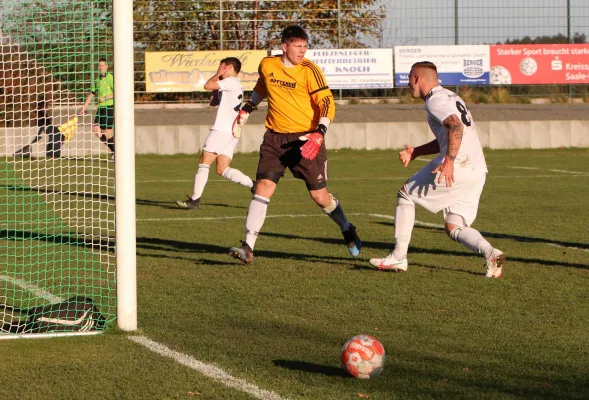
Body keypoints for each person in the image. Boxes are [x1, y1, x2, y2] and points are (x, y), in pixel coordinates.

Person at [228, 25, 361, 264]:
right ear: (284, 46)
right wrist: (248, 108)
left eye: (305, 46)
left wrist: (319, 132)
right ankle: (248, 246)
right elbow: (261, 87)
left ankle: (346, 227)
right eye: (298, 46)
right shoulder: (268, 64)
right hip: (275, 139)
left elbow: (328, 104)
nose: (302, 51)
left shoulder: (310, 70)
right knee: (263, 186)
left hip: (306, 139)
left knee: (320, 196)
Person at [369, 61, 505, 278]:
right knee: (454, 226)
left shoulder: (435, 100)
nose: (408, 84)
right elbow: (447, 134)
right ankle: (491, 253)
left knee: (406, 194)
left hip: (457, 166)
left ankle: (399, 256)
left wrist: (449, 162)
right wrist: (417, 152)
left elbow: (455, 127)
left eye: (409, 79)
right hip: (477, 169)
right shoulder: (450, 96)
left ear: (417, 78)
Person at [176, 57, 254, 210]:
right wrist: (217, 85)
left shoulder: (231, 81)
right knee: (222, 169)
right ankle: (254, 185)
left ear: (229, 68)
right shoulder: (232, 84)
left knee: (204, 162)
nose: (220, 70)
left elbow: (207, 85)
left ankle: (195, 200)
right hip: (230, 131)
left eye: (222, 67)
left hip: (222, 129)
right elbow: (213, 102)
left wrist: (217, 74)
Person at [80, 57, 115, 161]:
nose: (101, 67)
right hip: (101, 108)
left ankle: (115, 152)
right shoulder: (97, 79)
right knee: (96, 130)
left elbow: (117, 91)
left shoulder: (110, 78)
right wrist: (85, 106)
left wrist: (105, 97)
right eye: (100, 65)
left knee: (106, 132)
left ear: (107, 66)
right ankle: (114, 150)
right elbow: (92, 93)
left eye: (103, 65)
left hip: (109, 106)